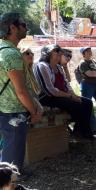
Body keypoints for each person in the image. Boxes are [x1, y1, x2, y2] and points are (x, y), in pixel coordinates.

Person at [0, 12, 42, 170]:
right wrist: (34, 111)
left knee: (6, 149)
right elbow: (21, 91)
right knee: (12, 157)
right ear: (12, 27)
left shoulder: (2, 49)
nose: (27, 28)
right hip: (13, 112)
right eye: (24, 25)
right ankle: (10, 183)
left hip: (3, 110)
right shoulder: (11, 54)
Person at [33, 44, 94, 139]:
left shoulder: (58, 67)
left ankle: (78, 131)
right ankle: (85, 133)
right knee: (76, 105)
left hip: (60, 95)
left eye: (59, 53)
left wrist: (74, 95)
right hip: (46, 97)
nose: (59, 54)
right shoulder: (42, 66)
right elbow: (50, 90)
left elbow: (66, 84)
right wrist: (70, 96)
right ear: (48, 54)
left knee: (87, 102)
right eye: (56, 53)